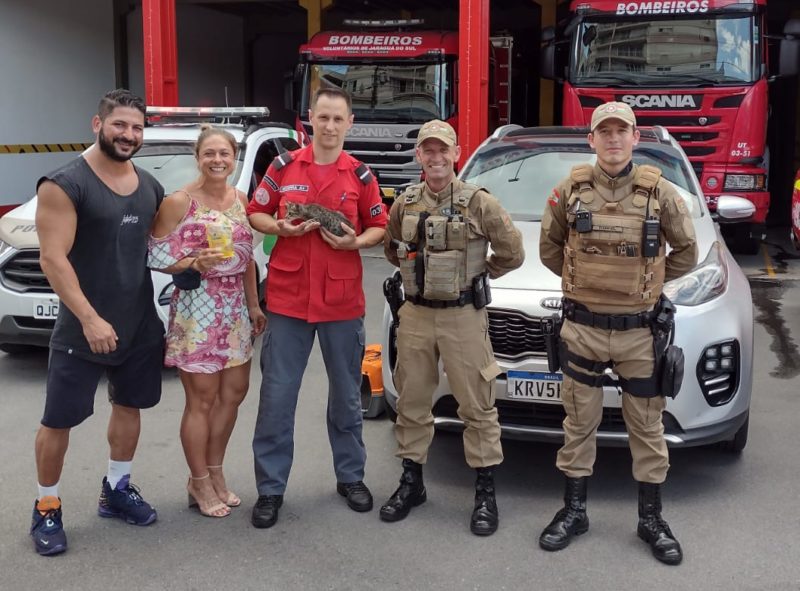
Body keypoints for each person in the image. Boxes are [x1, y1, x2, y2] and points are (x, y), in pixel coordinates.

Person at [538, 102, 698, 565]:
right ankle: (574, 511)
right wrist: (586, 282)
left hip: (638, 333)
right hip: (583, 328)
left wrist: (646, 284)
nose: (612, 139)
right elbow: (551, 248)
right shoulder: (570, 190)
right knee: (578, 424)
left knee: (647, 427)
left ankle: (651, 519)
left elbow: (685, 251)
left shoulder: (660, 193)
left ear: (635, 137)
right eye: (603, 132)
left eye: (620, 131)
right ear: (591, 140)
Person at [31, 89, 165, 556]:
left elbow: (156, 249)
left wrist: (192, 264)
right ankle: (47, 505)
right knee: (59, 420)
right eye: (120, 125)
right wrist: (89, 319)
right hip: (83, 328)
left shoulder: (149, 185)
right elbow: (53, 260)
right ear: (97, 124)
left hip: (139, 324)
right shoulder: (65, 183)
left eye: (136, 128)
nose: (129, 135)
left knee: (130, 408)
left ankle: (116, 488)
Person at [246, 87, 387, 529]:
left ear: (349, 123)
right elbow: (256, 211)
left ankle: (350, 477)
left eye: (337, 119)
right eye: (322, 118)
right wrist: (280, 228)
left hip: (342, 302)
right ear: (309, 120)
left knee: (347, 398)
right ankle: (270, 489)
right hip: (289, 302)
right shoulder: (284, 166)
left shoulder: (360, 176)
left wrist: (355, 241)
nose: (329, 126)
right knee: (276, 398)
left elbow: (379, 225)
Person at [380, 119, 524, 536]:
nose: (436, 157)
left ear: (457, 153)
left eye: (443, 149)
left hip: (464, 315)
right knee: (411, 400)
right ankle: (412, 482)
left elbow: (511, 251)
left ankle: (484, 490)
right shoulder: (405, 202)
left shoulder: (479, 203)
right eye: (428, 150)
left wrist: (479, 276)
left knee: (477, 405)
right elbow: (391, 247)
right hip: (417, 316)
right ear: (418, 156)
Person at [148, 125, 266, 518]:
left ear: (235, 159)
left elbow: (248, 258)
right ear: (197, 157)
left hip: (235, 311)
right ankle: (198, 480)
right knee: (201, 400)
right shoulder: (179, 202)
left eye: (225, 154)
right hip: (197, 310)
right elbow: (154, 255)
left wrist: (253, 306)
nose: (218, 160)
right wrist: (193, 263)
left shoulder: (241, 199)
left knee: (233, 395)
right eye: (210, 153)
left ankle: (215, 472)